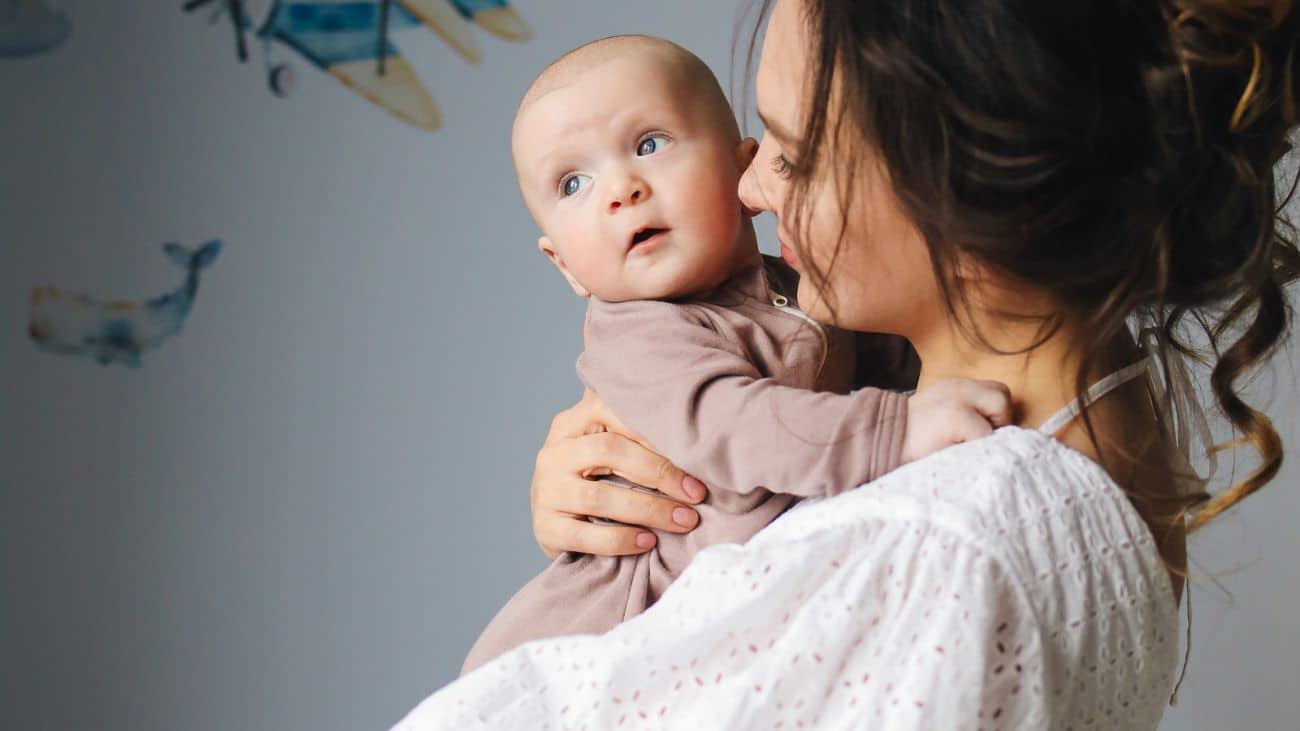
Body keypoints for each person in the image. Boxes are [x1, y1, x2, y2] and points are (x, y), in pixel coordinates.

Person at [395, 0, 1298, 727]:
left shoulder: (932, 549)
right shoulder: (1103, 409)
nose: (750, 189)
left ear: (952, 184)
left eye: (788, 152)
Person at [459, 34, 1016, 675]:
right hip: (605, 641)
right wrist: (900, 428)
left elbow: (889, 362)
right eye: (574, 182)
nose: (620, 188)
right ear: (565, 266)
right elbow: (743, 428)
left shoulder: (799, 286)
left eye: (649, 144)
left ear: (742, 171)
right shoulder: (642, 337)